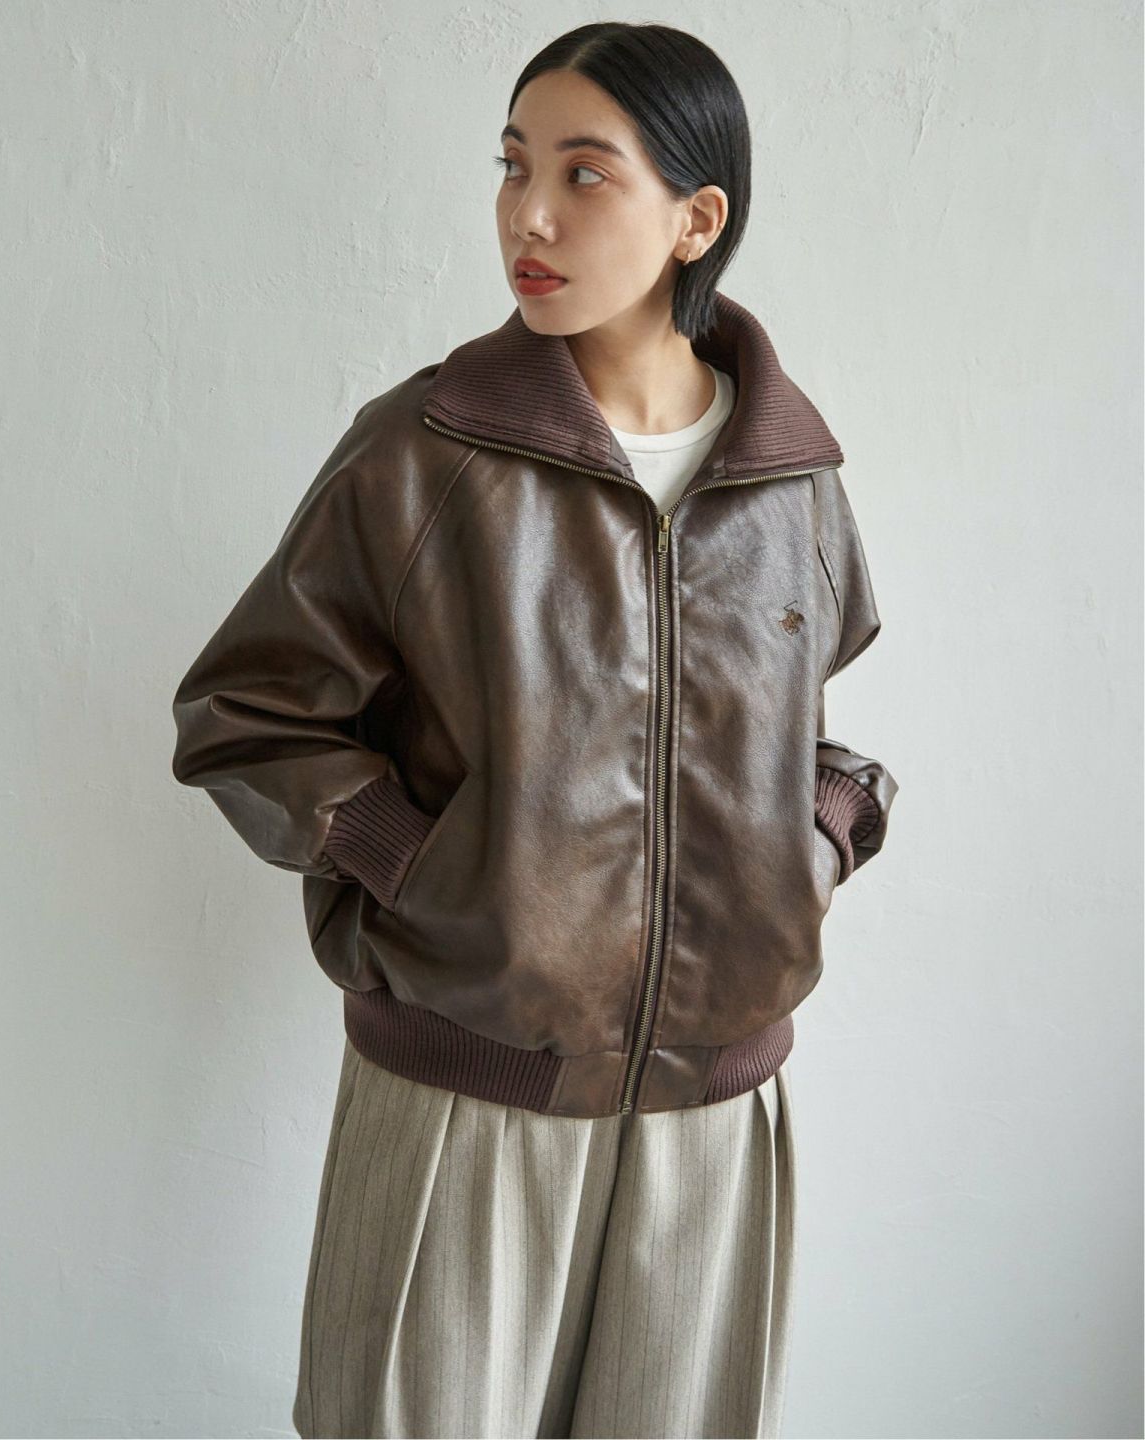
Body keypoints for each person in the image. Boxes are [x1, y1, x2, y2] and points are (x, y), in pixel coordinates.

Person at [171, 21, 899, 1440]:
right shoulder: (423, 451)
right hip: (467, 1093)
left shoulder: (791, 478)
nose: (531, 216)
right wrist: (431, 873)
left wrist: (814, 840)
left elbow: (800, 731)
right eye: (514, 168)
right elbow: (247, 715)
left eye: (583, 173)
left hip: (713, 1120)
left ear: (697, 220)